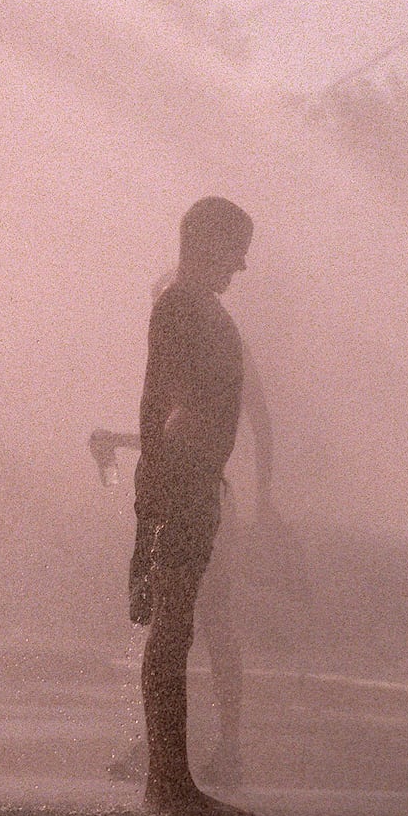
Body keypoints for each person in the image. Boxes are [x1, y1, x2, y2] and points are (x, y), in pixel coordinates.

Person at [94, 337, 276, 787]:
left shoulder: (219, 356)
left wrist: (264, 502)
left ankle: (213, 746)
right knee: (184, 621)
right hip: (192, 498)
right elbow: (179, 435)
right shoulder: (203, 359)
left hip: (204, 500)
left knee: (197, 621)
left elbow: (185, 437)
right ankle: (174, 744)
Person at [129, 196, 253, 816]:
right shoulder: (182, 305)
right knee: (172, 628)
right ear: (207, 245)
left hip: (190, 480)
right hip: (181, 482)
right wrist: (162, 487)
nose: (241, 267)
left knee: (176, 626)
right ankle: (168, 780)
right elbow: (167, 397)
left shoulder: (196, 306)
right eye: (234, 252)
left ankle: (169, 778)